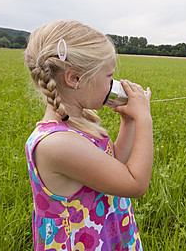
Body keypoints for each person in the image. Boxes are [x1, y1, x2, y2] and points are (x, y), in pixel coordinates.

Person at [24, 20, 153, 251]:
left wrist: (129, 120)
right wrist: (145, 119)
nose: (114, 83)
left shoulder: (77, 123)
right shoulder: (58, 144)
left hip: (105, 233)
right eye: (109, 76)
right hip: (85, 243)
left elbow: (113, 164)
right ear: (75, 79)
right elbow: (135, 184)